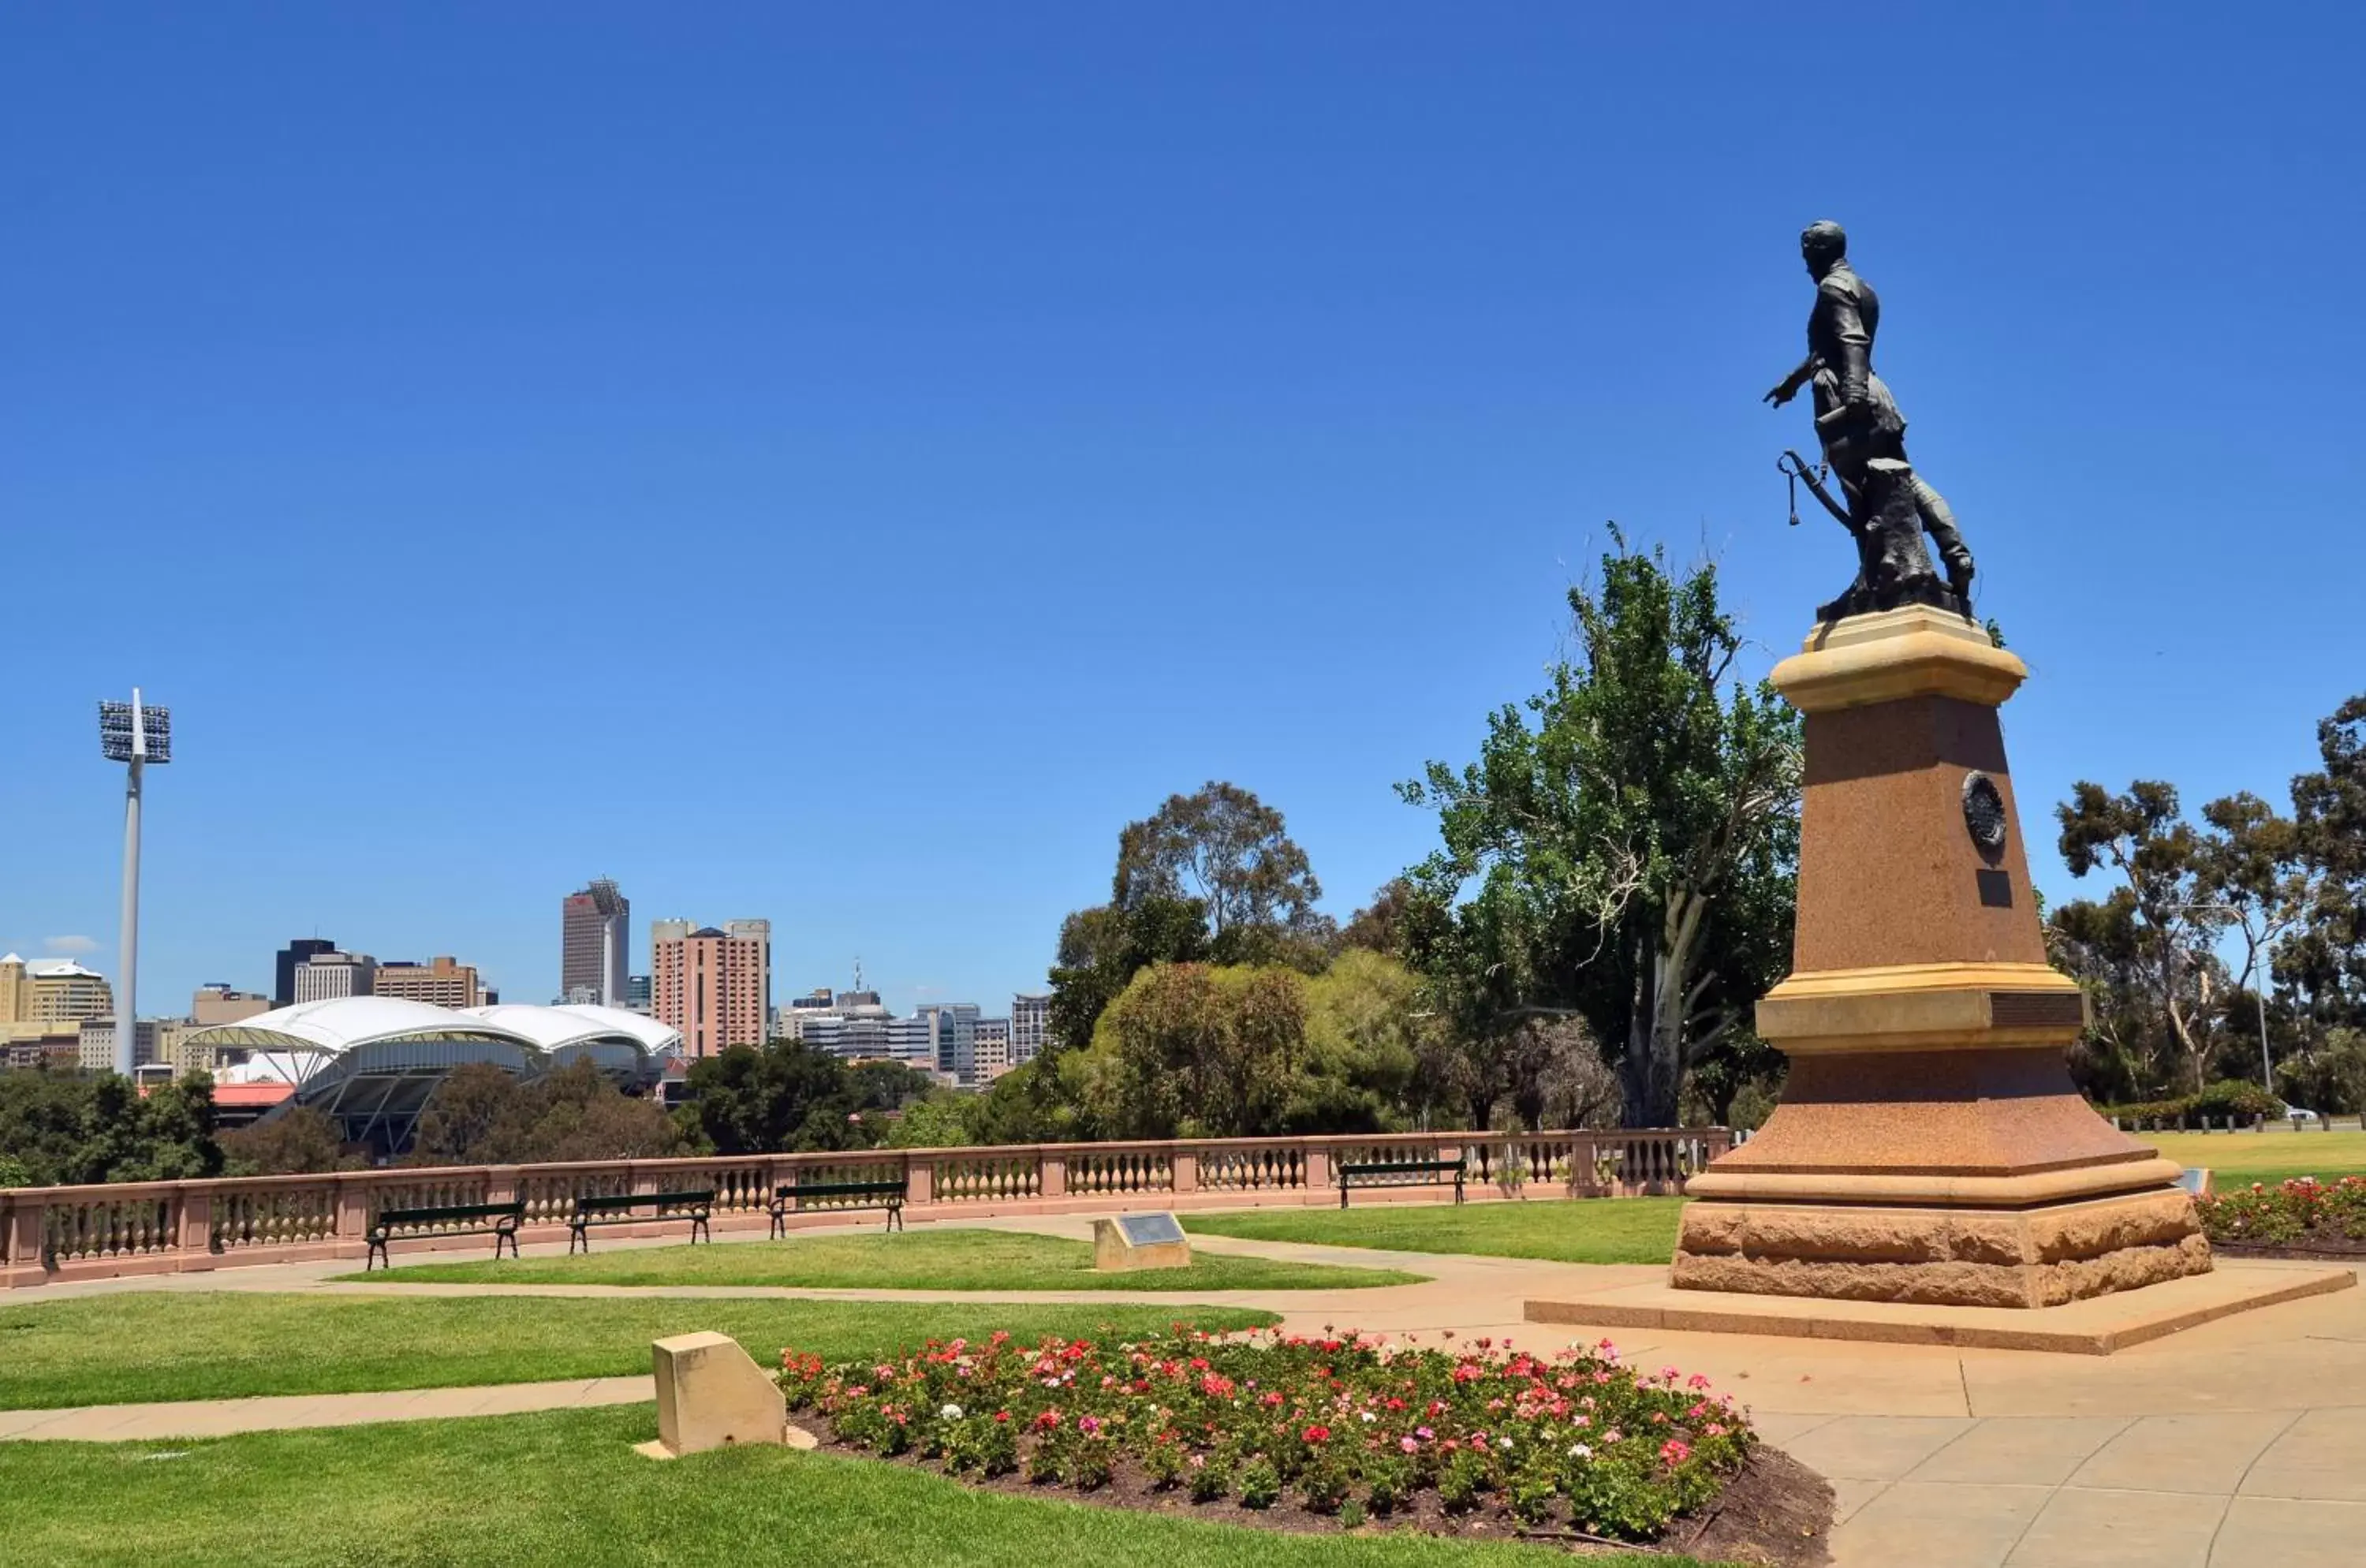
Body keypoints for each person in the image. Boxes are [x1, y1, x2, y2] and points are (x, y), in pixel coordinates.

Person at [1764, 221, 1974, 602]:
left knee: (1860, 492)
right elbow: (1827, 350)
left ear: (1820, 252)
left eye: (1807, 255)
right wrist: (1792, 382)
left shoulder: (1832, 288)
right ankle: (1954, 552)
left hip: (1848, 396)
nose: (1805, 265)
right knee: (1902, 478)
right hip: (1878, 395)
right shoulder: (1863, 288)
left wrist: (1853, 399)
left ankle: (1875, 576)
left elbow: (1852, 340)